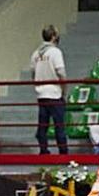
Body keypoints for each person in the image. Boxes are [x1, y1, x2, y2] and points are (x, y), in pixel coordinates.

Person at [32, 25, 68, 155]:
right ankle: (63, 152)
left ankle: (43, 149)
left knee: (43, 125)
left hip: (41, 94)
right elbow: (61, 72)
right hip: (54, 93)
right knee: (59, 125)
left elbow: (33, 73)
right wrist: (64, 89)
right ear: (54, 36)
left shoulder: (35, 54)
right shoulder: (55, 52)